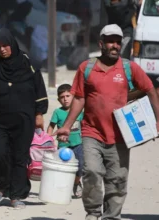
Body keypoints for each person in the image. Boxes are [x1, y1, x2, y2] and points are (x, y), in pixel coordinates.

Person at [54, 24, 159, 220]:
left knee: (117, 180)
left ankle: (111, 216)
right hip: (91, 132)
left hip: (120, 135)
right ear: (101, 43)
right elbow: (79, 98)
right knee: (92, 171)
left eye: (118, 42)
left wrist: (158, 119)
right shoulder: (87, 68)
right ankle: (93, 213)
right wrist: (67, 126)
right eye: (111, 41)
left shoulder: (129, 68)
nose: (115, 46)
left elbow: (150, 89)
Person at [0, 28, 48, 209]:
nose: (3, 49)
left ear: (12, 44)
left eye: (5, 45)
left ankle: (16, 195)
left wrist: (39, 113)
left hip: (24, 121)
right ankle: (2, 187)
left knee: (19, 157)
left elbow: (40, 90)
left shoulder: (29, 65)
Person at [47, 84, 84, 198]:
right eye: (62, 97)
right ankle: (61, 190)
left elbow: (85, 126)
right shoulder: (57, 112)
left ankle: (76, 183)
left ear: (73, 96)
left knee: (81, 167)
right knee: (62, 169)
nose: (65, 99)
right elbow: (51, 126)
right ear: (58, 99)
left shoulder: (80, 111)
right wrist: (48, 141)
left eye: (68, 96)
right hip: (63, 146)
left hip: (78, 144)